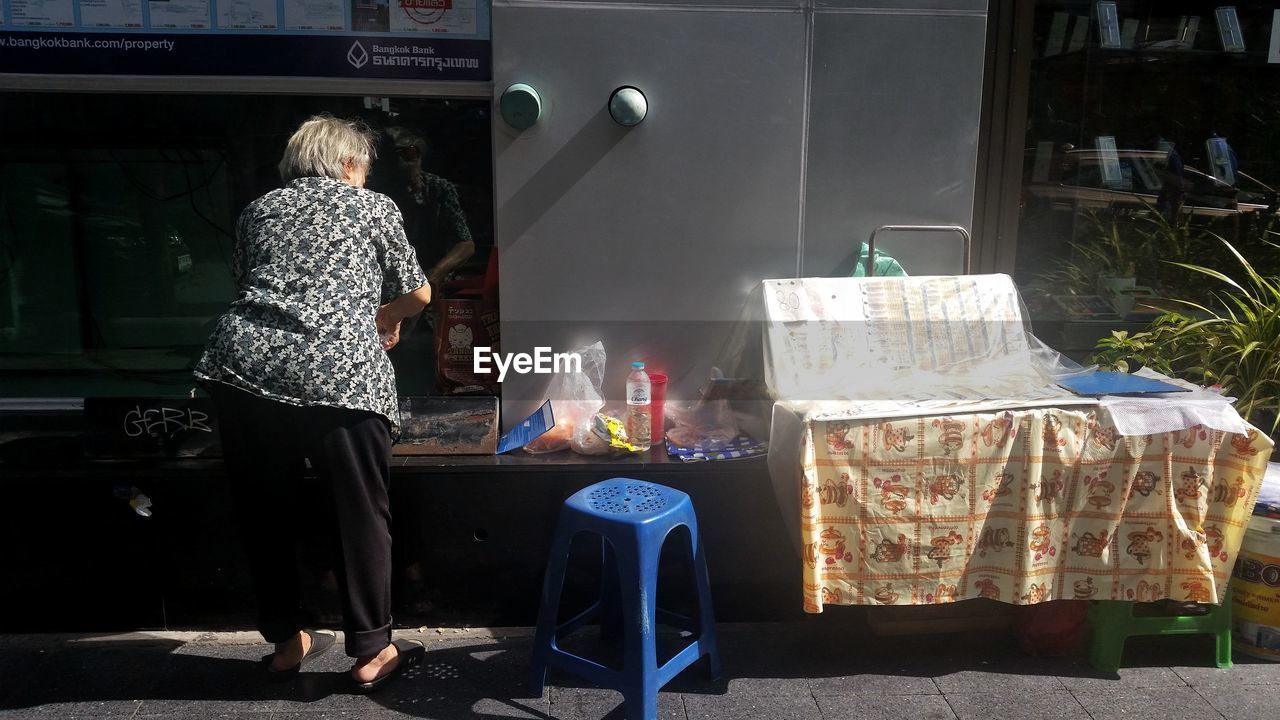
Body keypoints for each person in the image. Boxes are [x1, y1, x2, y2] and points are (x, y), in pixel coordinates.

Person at [194, 114, 432, 692]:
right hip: (340, 374)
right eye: (365, 167)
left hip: (245, 368)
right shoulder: (373, 208)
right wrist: (384, 319)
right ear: (349, 163)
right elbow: (417, 293)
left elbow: (249, 284)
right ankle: (373, 650)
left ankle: (285, 643)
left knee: (263, 510)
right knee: (360, 511)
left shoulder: (258, 210)